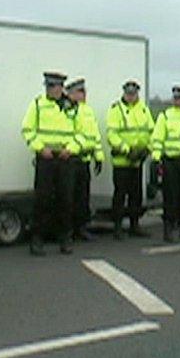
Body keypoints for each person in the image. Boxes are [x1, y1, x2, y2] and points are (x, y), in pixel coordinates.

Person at [21, 71, 79, 255]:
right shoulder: (38, 104)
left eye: (54, 87)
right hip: (46, 159)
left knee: (66, 200)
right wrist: (40, 148)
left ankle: (65, 239)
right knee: (42, 200)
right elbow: (27, 130)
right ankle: (37, 239)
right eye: (48, 86)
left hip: (65, 159)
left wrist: (71, 148)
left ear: (61, 88)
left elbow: (82, 134)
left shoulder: (72, 107)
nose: (51, 90)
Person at [107, 79, 155, 239]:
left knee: (136, 195)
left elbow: (151, 131)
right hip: (122, 160)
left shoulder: (143, 109)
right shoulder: (116, 110)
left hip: (138, 160)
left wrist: (147, 149)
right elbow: (112, 134)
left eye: (133, 94)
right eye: (128, 94)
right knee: (120, 195)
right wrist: (126, 150)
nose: (131, 97)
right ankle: (118, 227)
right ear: (124, 94)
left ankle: (135, 225)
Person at [150, 85, 180, 242]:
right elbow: (157, 138)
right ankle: (169, 228)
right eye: (175, 98)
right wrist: (156, 158)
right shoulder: (165, 116)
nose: (177, 101)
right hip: (171, 161)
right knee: (171, 197)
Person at [68, 77, 104, 241]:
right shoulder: (68, 110)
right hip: (71, 159)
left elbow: (95, 136)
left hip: (85, 160)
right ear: (71, 94)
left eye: (84, 92)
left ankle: (81, 227)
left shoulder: (88, 111)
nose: (83, 95)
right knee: (70, 197)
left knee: (83, 196)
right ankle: (69, 230)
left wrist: (98, 156)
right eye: (80, 92)